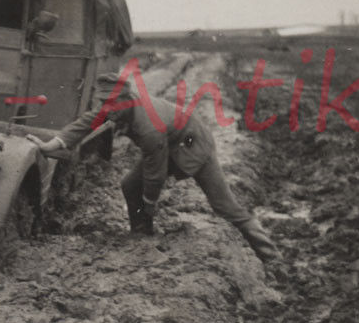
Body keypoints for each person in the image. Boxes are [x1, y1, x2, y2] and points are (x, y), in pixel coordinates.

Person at [27, 78, 280, 264]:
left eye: (113, 105)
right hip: (171, 138)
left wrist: (150, 203)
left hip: (193, 143)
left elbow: (155, 173)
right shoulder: (116, 106)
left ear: (128, 101)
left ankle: (270, 257)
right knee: (129, 185)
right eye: (105, 104)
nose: (109, 110)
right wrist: (54, 144)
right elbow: (84, 124)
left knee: (224, 205)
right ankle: (143, 234)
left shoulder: (148, 127)